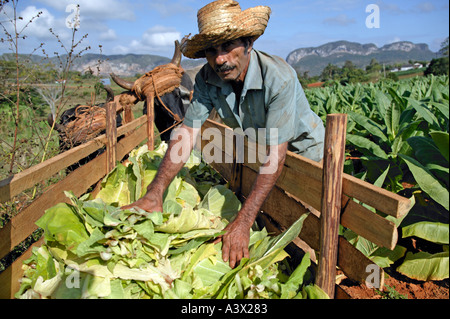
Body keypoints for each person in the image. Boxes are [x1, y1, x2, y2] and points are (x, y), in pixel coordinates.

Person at [122, 0, 325, 268]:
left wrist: (243, 220)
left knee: (303, 223)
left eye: (228, 46)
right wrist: (155, 191)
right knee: (271, 213)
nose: (220, 59)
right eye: (211, 50)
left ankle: (313, 270)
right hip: (264, 150)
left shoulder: (278, 78)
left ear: (249, 43)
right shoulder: (207, 78)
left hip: (303, 150)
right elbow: (186, 133)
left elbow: (278, 154)